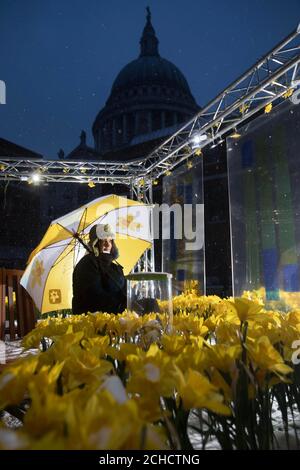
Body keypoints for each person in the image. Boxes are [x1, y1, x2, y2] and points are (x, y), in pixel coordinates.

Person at [72, 223, 127, 315]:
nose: (107, 245)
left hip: (117, 318)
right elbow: (95, 298)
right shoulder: (87, 265)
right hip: (93, 322)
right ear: (95, 243)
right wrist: (121, 303)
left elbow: (125, 291)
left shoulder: (115, 268)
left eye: (110, 241)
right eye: (103, 241)